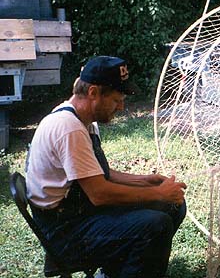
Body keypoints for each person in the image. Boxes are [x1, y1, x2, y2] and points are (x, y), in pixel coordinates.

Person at [25, 56, 187, 278]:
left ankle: (116, 271)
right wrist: (158, 193)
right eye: (116, 99)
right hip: (64, 233)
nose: (121, 106)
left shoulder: (82, 120)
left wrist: (145, 180)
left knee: (172, 206)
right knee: (156, 224)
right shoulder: (69, 128)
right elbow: (99, 194)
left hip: (79, 214)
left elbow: (101, 174)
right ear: (93, 92)